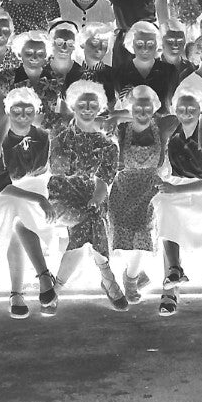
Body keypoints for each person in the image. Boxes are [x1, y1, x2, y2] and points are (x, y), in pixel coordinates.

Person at [49, 80, 128, 310]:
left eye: (92, 103)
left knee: (91, 217)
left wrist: (96, 198)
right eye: (82, 102)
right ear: (73, 104)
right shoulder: (58, 128)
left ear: (100, 107)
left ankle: (55, 289)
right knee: (91, 220)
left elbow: (104, 183)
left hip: (90, 196)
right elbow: (19, 114)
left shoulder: (107, 144)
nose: (87, 107)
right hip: (60, 196)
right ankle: (107, 277)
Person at [153, 90, 202, 317]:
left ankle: (172, 278)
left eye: (192, 109)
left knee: (169, 206)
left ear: (200, 111)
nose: (186, 112)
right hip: (175, 187)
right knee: (164, 207)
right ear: (175, 110)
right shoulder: (171, 132)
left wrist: (176, 190)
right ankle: (173, 276)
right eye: (181, 108)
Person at [0, 86, 58, 319]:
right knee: (15, 216)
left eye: (28, 110)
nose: (22, 115)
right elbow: (0, 186)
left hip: (37, 185)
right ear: (8, 112)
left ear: (35, 111)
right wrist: (39, 199)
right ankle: (44, 277)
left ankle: (16, 293)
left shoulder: (44, 135)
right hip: (6, 192)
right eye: (16, 110)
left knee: (20, 223)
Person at [107, 85, 174, 305]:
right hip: (123, 187)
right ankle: (137, 272)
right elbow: (97, 118)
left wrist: (201, 130)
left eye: (148, 106)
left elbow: (190, 115)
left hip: (150, 187)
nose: (143, 111)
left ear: (155, 108)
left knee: (142, 234)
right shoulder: (121, 128)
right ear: (130, 108)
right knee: (121, 232)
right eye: (137, 107)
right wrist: (118, 115)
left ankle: (130, 279)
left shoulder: (162, 125)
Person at [109, 21, 178, 114]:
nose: (145, 48)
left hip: (164, 125)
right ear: (131, 44)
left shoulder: (170, 71)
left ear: (157, 45)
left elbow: (173, 105)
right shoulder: (119, 73)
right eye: (140, 43)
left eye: (150, 44)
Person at [78, 22, 119, 108]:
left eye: (104, 43)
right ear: (83, 43)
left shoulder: (115, 75)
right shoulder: (72, 74)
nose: (100, 48)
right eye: (95, 42)